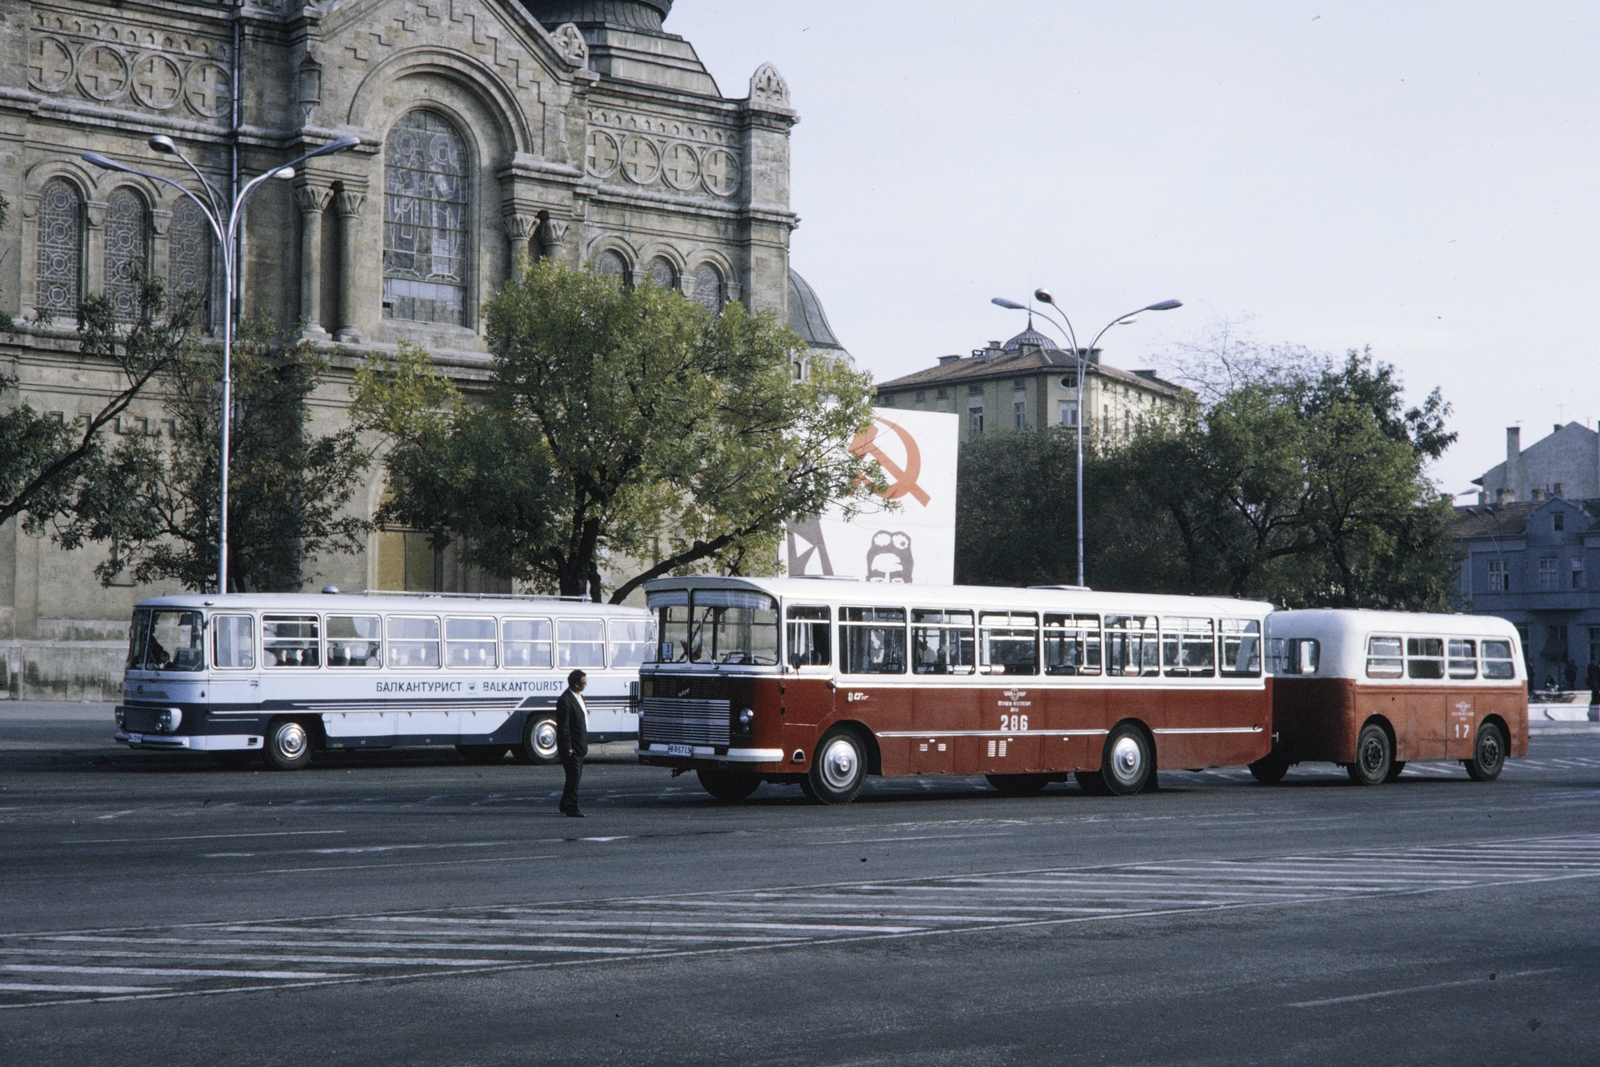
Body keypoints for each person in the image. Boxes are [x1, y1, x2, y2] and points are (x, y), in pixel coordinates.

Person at [556, 669, 589, 818]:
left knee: (573, 777)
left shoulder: (578, 697)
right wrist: (567, 746)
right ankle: (572, 808)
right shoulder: (565, 700)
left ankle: (564, 803)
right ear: (576, 684)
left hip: (580, 745)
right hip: (572, 747)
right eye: (583, 683)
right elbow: (564, 726)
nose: (585, 685)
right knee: (574, 778)